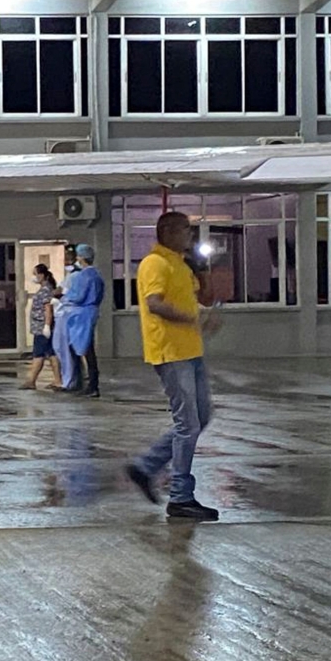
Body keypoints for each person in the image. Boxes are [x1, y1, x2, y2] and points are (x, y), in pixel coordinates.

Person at [126, 211, 220, 522]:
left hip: (190, 350)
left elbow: (202, 298)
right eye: (185, 230)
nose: (191, 236)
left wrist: (204, 272)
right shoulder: (155, 263)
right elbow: (154, 303)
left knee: (201, 416)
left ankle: (146, 467)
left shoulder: (180, 264)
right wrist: (193, 318)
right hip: (170, 352)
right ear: (166, 231)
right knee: (188, 424)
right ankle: (180, 496)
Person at [65, 244, 105, 398]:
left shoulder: (84, 276)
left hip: (81, 314)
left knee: (82, 348)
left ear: (81, 257)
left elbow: (78, 296)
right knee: (87, 348)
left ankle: (87, 383)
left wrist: (65, 297)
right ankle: (89, 383)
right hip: (91, 312)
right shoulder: (97, 275)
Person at [20, 264, 61, 390]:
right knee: (52, 354)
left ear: (42, 275)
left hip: (42, 327)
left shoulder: (45, 291)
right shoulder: (46, 289)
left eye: (36, 274)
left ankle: (31, 381)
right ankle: (58, 380)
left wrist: (47, 326)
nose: (34, 277)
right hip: (42, 326)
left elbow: (48, 309)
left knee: (38, 354)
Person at [52, 245, 81, 391]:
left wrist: (59, 294)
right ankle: (68, 380)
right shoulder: (70, 275)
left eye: (70, 257)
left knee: (66, 349)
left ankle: (70, 381)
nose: (67, 260)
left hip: (69, 315)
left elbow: (62, 292)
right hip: (64, 314)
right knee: (60, 348)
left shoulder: (77, 275)